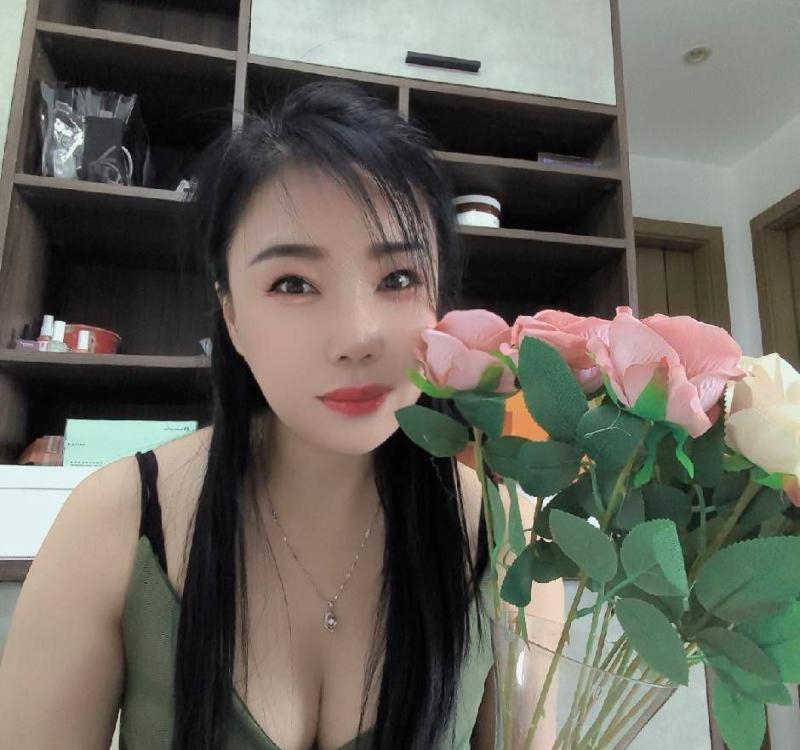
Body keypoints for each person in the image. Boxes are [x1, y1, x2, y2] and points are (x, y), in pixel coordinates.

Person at [0, 81, 562, 750]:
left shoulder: (509, 538)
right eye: (292, 283)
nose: (356, 337)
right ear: (231, 314)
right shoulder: (114, 521)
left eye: (399, 279)